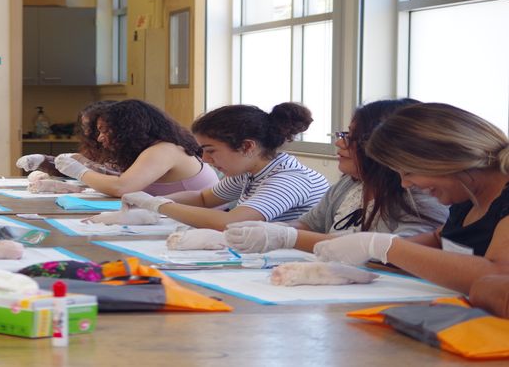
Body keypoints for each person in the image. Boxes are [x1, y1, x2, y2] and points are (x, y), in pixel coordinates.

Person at [313, 103, 509, 294]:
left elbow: (498, 277)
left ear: (443, 161)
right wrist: (371, 254)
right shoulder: (468, 195)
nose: (405, 184)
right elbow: (438, 239)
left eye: (408, 172)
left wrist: (382, 246)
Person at [223, 99, 448, 253]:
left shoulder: (422, 194)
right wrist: (265, 232)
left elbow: (396, 250)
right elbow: (310, 224)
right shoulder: (350, 184)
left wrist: (286, 237)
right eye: (344, 134)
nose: (339, 143)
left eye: (351, 137)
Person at [121, 103, 329, 230]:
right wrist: (151, 200)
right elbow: (203, 199)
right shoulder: (251, 171)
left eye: (211, 150)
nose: (204, 159)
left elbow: (230, 222)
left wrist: (159, 206)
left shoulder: (289, 179)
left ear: (247, 146)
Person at [53, 99, 220, 197]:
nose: (99, 138)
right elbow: (120, 179)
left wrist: (79, 172)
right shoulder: (148, 149)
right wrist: (84, 168)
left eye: (105, 131)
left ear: (128, 130)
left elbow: (121, 187)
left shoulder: (164, 150)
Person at [16, 100, 119, 177]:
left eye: (91, 127)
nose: (87, 132)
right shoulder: (91, 145)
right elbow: (72, 172)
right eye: (84, 127)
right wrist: (45, 161)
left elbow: (114, 178)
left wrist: (81, 162)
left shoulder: (118, 148)